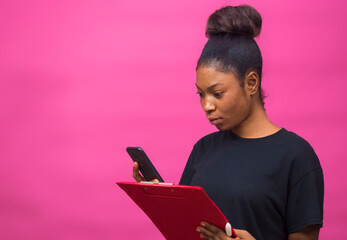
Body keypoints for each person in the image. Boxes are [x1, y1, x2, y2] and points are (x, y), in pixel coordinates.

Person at [133, 5, 324, 240]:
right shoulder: (203, 149)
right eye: (201, 94)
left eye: (217, 93)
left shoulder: (296, 156)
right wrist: (160, 199)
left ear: (251, 83)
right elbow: (186, 232)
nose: (207, 105)